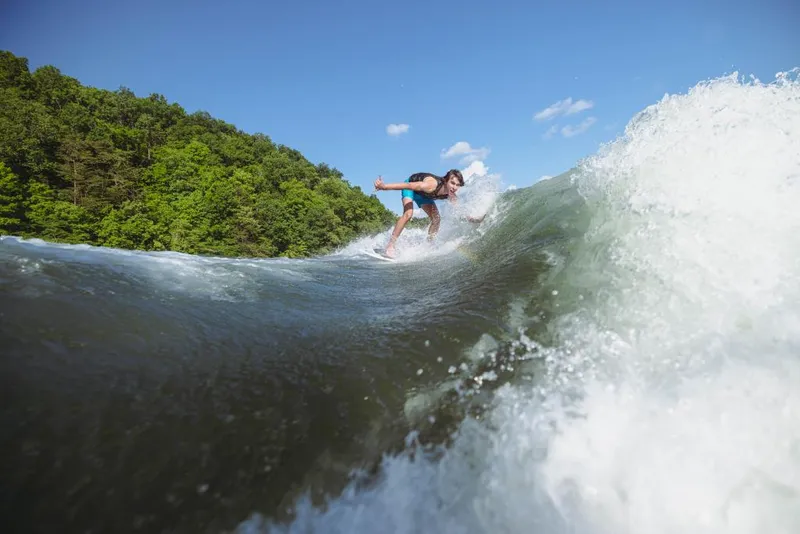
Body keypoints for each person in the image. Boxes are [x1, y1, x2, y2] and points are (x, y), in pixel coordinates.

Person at [373, 169, 484, 258]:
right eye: (452, 183)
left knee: (436, 219)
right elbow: (408, 186)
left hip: (424, 196)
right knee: (408, 214)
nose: (454, 187)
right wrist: (384, 187)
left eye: (457, 185)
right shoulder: (431, 185)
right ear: (446, 180)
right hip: (410, 188)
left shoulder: (452, 195)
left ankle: (428, 245)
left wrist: (473, 219)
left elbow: (460, 210)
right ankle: (390, 245)